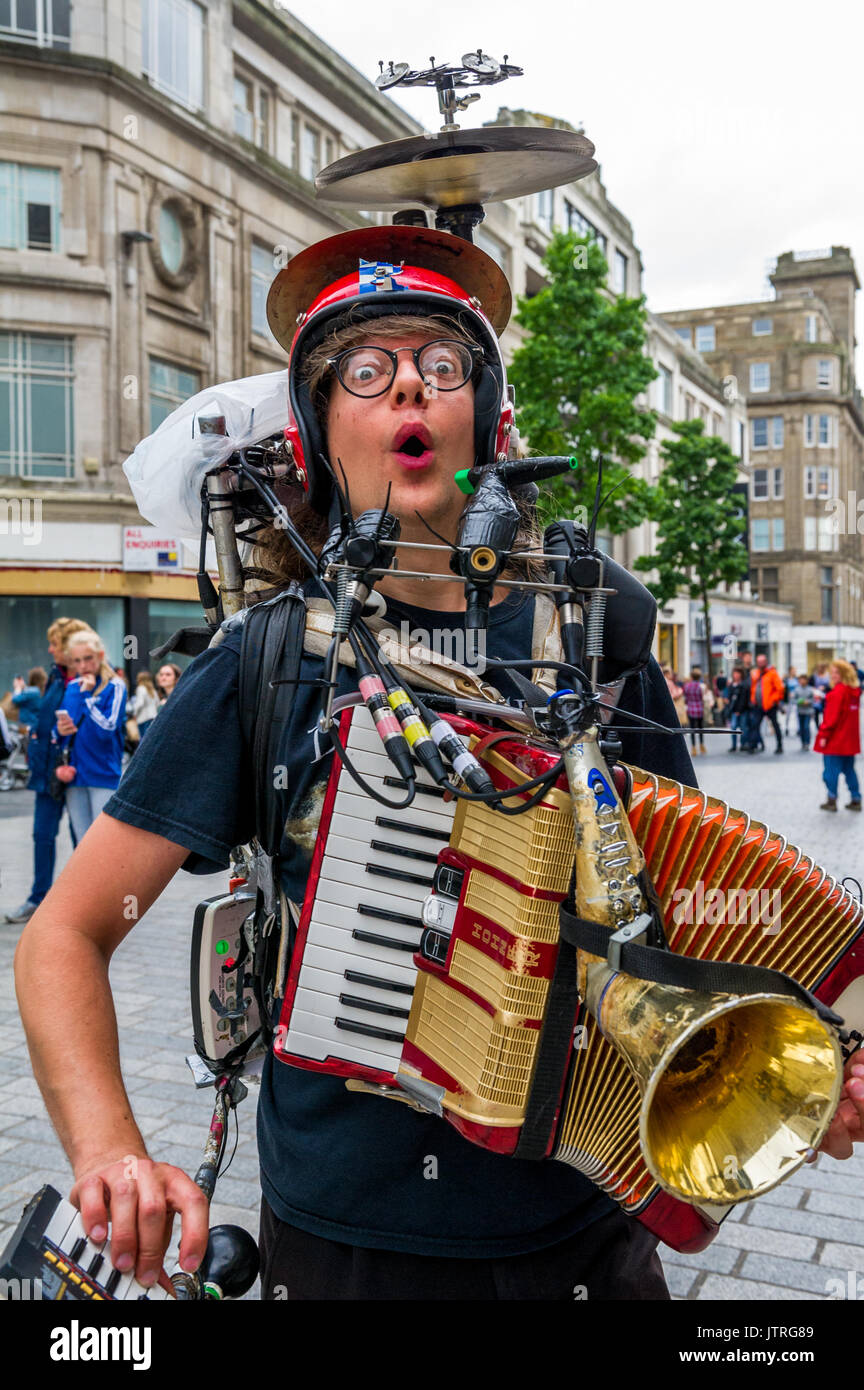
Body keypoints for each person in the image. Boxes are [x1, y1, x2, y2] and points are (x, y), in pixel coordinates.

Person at [14, 230, 864, 1304]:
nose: (409, 382)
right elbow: (63, 933)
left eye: (442, 364)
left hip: (591, 1234)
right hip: (348, 1248)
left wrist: (807, 1046)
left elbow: (695, 902)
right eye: (365, 372)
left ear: (484, 418)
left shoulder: (595, 632)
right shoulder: (264, 658)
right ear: (323, 433)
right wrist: (111, 1153)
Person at [4, 619, 92, 924]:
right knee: (42, 835)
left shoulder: (87, 679)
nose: (50, 648)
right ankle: (38, 897)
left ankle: (84, 904)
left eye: (54, 643)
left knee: (82, 838)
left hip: (77, 771)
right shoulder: (56, 676)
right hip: (47, 772)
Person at [54, 629, 127, 842]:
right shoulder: (72, 687)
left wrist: (87, 696)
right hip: (75, 774)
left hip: (103, 774)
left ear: (100, 656)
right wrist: (59, 731)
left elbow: (107, 730)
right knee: (81, 842)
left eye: (88, 658)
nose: (83, 666)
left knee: (103, 843)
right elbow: (60, 729)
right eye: (77, 661)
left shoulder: (115, 686)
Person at [815, 659, 861, 812]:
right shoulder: (853, 692)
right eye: (832, 672)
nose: (832, 675)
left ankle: (832, 799)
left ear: (843, 674)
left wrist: (823, 736)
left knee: (830, 773)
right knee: (849, 771)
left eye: (835, 672)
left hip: (835, 741)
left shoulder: (837, 693)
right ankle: (856, 799)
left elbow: (830, 720)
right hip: (850, 741)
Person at [748, 653, 784, 755]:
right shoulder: (756, 673)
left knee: (775, 725)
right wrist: (753, 699)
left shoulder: (772, 673)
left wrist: (774, 700)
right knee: (755, 725)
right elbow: (754, 688)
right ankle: (753, 746)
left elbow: (780, 689)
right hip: (758, 705)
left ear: (766, 662)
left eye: (762, 662)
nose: (760, 664)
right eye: (758, 662)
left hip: (770, 706)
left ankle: (779, 745)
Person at [682, 668, 708, 756]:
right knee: (701, 728)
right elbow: (703, 698)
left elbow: (685, 697)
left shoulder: (687, 686)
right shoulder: (702, 686)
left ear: (691, 677)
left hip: (690, 709)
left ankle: (693, 748)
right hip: (700, 709)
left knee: (692, 729)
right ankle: (701, 745)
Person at [128, 671, 160, 741]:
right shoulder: (153, 690)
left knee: (143, 740)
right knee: (149, 739)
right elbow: (158, 703)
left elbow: (140, 703)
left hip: (143, 718)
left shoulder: (141, 688)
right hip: (153, 716)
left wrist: (134, 714)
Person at [725, 666, 749, 752]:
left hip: (742, 710)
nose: (736, 675)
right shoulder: (731, 685)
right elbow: (729, 697)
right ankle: (734, 745)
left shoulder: (743, 685)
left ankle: (743, 744)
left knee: (743, 728)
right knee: (733, 727)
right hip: (734, 711)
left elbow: (744, 699)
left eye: (737, 673)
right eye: (735, 673)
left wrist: (739, 710)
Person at [796, 678, 816, 751]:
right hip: (800, 711)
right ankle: (803, 742)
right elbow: (793, 699)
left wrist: (808, 702)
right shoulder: (797, 689)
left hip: (808, 711)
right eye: (801, 680)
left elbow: (814, 699)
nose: (802, 681)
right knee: (801, 728)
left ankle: (807, 742)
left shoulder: (810, 689)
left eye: (803, 679)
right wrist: (798, 701)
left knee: (806, 727)